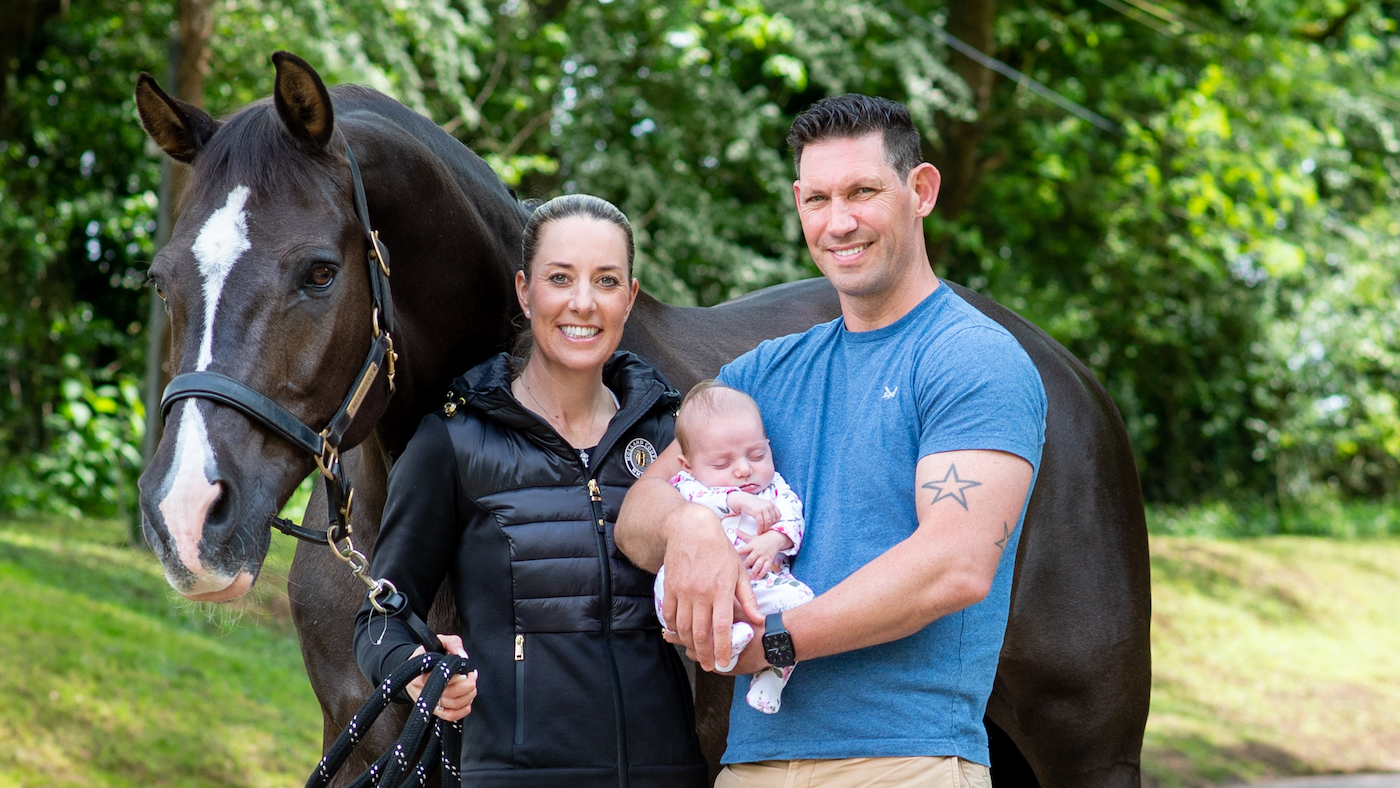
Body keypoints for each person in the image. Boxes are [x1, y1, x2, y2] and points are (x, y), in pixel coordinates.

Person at [615, 94, 1047, 787]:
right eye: (817, 198)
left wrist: (773, 643)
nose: (839, 221)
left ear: (921, 191)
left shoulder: (972, 360)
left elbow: (954, 565)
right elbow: (638, 519)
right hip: (751, 763)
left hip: (904, 761)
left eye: (863, 192)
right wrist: (691, 523)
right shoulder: (762, 374)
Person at [354, 194, 708, 788]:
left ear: (631, 296)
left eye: (606, 280)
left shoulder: (670, 433)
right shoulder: (454, 440)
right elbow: (381, 615)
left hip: (666, 772)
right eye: (560, 278)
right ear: (524, 290)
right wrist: (412, 664)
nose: (583, 303)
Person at [653, 380, 814, 714]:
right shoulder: (690, 486)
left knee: (802, 602)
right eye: (722, 464)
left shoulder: (774, 488)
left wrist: (775, 539)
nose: (744, 470)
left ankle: (772, 676)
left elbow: (794, 516)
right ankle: (721, 638)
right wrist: (734, 499)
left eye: (757, 455)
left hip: (762, 585)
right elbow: (692, 504)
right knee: (665, 581)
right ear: (688, 465)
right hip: (705, 588)